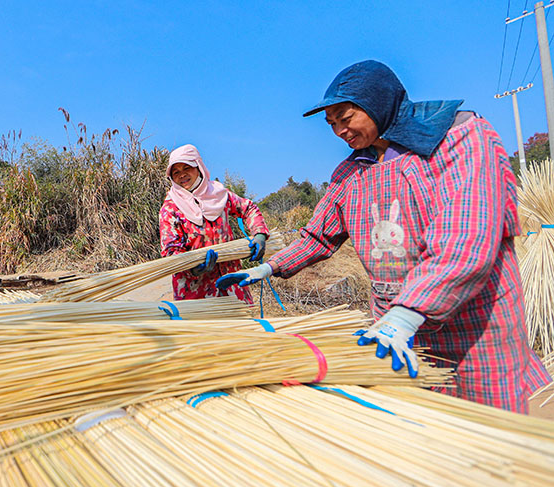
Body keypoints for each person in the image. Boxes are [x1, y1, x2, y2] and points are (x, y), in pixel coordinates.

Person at [217, 60, 548, 414]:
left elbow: (465, 238)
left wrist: (409, 312)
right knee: (424, 430)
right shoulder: (352, 172)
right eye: (332, 125)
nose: (340, 131)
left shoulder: (459, 139)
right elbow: (317, 235)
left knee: (489, 429)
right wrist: (268, 269)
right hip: (393, 327)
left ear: (378, 102)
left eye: (346, 118)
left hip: (473, 321)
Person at [160, 144, 269, 304]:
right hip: (195, 294)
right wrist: (192, 267)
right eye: (176, 172)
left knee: (241, 326)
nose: (182, 175)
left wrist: (259, 234)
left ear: (199, 167)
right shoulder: (170, 209)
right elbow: (171, 250)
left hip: (231, 285)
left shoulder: (219, 195)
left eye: (187, 168)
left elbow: (248, 208)